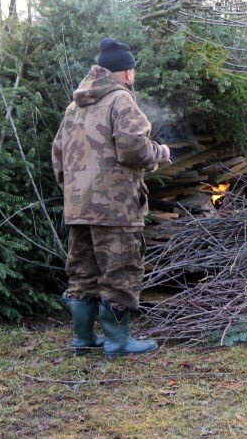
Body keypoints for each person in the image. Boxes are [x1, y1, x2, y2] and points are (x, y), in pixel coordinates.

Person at [52, 38, 171, 357]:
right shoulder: (120, 100)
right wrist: (159, 153)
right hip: (115, 208)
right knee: (120, 271)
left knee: (82, 273)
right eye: (132, 70)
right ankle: (118, 341)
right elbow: (133, 148)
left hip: (77, 207)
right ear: (126, 72)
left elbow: (58, 154)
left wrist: (73, 193)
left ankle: (83, 338)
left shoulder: (74, 105)